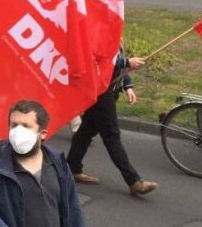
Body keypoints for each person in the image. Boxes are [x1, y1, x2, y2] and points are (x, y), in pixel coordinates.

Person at [0, 100, 85, 227]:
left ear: (43, 134)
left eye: (25, 126)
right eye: (14, 125)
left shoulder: (58, 164)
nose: (18, 131)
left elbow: (72, 207)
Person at [67, 50, 158, 196]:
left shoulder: (115, 34)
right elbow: (93, 59)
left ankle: (71, 168)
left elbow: (116, 64)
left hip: (108, 91)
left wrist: (127, 85)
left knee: (85, 133)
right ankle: (134, 181)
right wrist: (126, 62)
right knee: (112, 136)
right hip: (100, 92)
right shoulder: (98, 30)